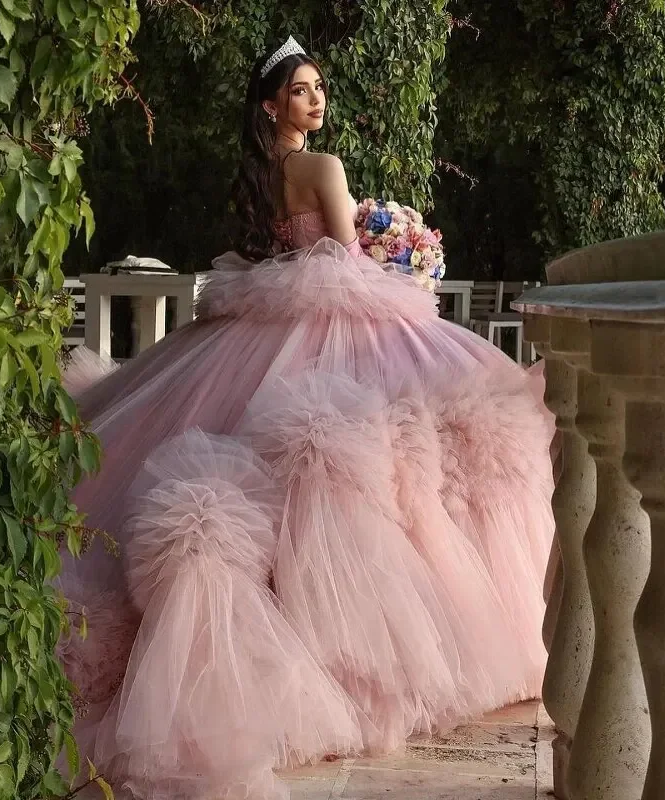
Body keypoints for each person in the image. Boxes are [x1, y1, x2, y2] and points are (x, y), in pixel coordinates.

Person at [57, 36, 555, 800]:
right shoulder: (322, 169)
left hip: (255, 317)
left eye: (318, 88)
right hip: (336, 317)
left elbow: (261, 255)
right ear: (270, 104)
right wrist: (404, 261)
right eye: (301, 90)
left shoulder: (254, 178)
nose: (316, 100)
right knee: (373, 452)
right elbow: (347, 256)